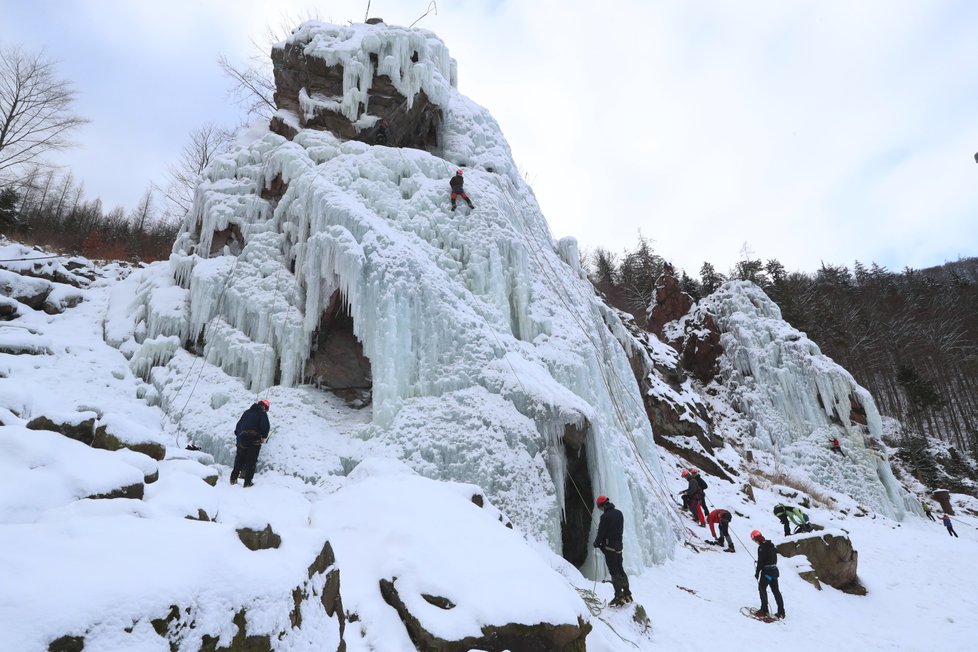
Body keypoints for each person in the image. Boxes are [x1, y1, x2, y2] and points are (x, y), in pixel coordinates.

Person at [594, 495, 632, 606]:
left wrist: (596, 543)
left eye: (600, 508)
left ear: (603, 506)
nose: (601, 510)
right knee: (620, 569)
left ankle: (618, 596)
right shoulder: (619, 513)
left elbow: (601, 533)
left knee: (614, 571)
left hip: (610, 546)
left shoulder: (605, 517)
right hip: (619, 545)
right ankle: (627, 593)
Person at [230, 399, 270, 488]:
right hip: (254, 439)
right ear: (264, 407)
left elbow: (238, 426)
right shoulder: (262, 413)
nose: (266, 410)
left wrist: (239, 434)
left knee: (239, 459)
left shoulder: (246, 412)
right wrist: (263, 436)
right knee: (251, 461)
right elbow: (265, 426)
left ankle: (233, 479)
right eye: (266, 408)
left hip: (242, 438)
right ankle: (247, 482)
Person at [751, 530, 785, 619]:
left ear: (756, 539)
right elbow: (770, 558)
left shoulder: (762, 548)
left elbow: (761, 562)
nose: (755, 542)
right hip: (774, 572)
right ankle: (781, 612)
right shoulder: (771, 546)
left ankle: (764, 610)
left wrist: (757, 573)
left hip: (767, 573)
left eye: (754, 540)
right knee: (776, 591)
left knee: (762, 589)